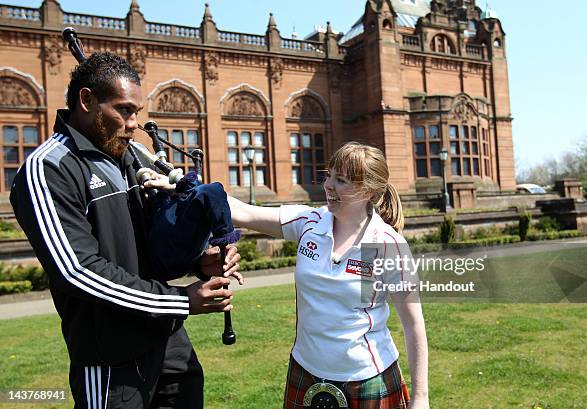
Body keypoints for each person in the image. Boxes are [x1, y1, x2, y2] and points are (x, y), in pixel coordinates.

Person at [10, 52, 242, 409]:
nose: (134, 123)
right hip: (110, 356)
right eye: (124, 110)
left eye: (136, 112)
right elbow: (78, 271)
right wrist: (181, 300)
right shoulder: (49, 168)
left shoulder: (130, 156)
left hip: (167, 341)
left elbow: (153, 241)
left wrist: (198, 262)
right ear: (86, 100)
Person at [225, 142, 430, 409]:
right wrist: (180, 182)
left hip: (368, 379)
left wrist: (420, 398)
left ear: (367, 190)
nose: (328, 185)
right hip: (305, 370)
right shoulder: (309, 222)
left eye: (341, 180)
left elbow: (413, 324)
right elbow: (244, 212)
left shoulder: (386, 244)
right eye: (329, 176)